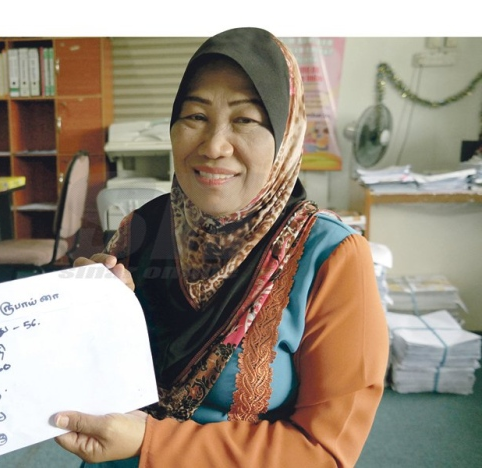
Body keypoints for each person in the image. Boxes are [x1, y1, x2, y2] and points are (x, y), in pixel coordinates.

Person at [53, 27, 390, 467]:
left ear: (285, 133)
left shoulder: (331, 257)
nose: (213, 146)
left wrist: (151, 442)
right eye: (195, 116)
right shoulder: (141, 229)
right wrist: (82, 315)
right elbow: (91, 380)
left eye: (245, 120)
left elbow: (325, 451)